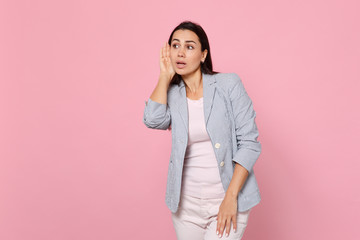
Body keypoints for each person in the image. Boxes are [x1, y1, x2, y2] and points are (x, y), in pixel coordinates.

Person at [143, 20, 262, 240]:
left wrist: (230, 198)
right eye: (175, 45)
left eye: (189, 47)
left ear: (203, 54)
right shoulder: (172, 93)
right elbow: (152, 120)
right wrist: (164, 76)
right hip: (186, 207)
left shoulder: (228, 84)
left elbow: (249, 143)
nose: (181, 52)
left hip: (226, 199)